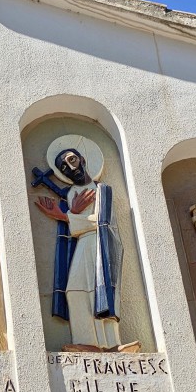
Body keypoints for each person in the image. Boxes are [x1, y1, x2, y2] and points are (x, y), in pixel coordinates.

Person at [35, 142, 139, 353]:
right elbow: (79, 223)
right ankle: (88, 342)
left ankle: (111, 343)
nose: (70, 167)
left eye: (72, 160)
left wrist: (63, 215)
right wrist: (70, 213)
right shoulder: (72, 192)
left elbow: (103, 222)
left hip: (102, 244)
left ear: (82, 159)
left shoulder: (103, 190)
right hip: (84, 244)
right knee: (75, 291)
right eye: (64, 167)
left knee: (102, 290)